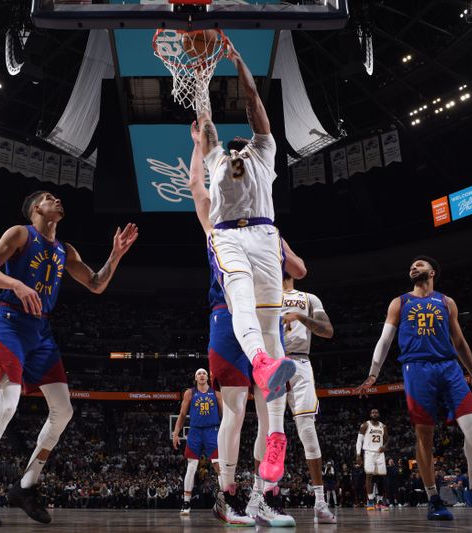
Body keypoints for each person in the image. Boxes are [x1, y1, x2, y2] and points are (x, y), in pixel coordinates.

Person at [0, 191, 138, 527]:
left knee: (64, 410)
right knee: (6, 404)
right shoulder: (20, 233)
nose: (58, 201)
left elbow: (96, 284)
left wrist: (115, 255)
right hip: (10, 323)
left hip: (41, 333)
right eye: (50, 198)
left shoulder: (64, 250)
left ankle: (26, 486)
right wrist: (17, 285)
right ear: (36, 208)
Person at [188, 113, 306, 527]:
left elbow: (301, 270)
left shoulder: (265, 227)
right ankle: (227, 496)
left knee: (269, 405)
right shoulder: (217, 224)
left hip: (263, 318)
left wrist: (279, 247)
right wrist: (199, 145)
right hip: (226, 318)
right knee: (235, 410)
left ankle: (261, 497)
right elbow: (196, 189)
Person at [193, 37, 296, 488]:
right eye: (228, 145)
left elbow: (254, 102)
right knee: (239, 297)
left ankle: (275, 436)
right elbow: (207, 124)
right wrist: (200, 77)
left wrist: (237, 63)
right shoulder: (217, 156)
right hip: (229, 234)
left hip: (265, 233)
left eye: (240, 143)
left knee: (273, 329)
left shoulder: (264, 150)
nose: (234, 146)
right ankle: (259, 359)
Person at [354, 256, 472, 520]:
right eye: (411, 265)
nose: (413, 267)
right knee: (425, 437)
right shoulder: (400, 302)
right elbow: (385, 340)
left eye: (419, 264)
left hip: (449, 367)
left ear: (432, 272)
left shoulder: (446, 302)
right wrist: (373, 374)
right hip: (416, 369)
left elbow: (459, 341)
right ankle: (433, 499)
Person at [273, 273, 336, 523]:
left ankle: (320, 502)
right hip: (272, 363)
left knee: (307, 430)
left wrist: (299, 316)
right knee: (269, 432)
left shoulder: (309, 298)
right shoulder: (265, 294)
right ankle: (261, 498)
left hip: (300, 362)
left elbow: (328, 331)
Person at [171, 368, 222, 516]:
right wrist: (175, 433)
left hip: (212, 430)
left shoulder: (216, 393)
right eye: (199, 373)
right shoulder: (190, 393)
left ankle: (227, 499)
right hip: (195, 431)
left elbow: (225, 415)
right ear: (195, 378)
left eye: (204, 373)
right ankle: (186, 502)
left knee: (218, 464)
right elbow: (182, 414)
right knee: (191, 466)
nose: (201, 375)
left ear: (208, 377)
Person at [356, 408, 388, 511]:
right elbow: (359, 441)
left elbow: (387, 440)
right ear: (370, 414)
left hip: (379, 453)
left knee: (381, 477)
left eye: (376, 412)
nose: (375, 414)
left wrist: (385, 447)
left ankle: (379, 501)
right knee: (369, 475)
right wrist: (358, 455)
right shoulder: (365, 425)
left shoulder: (383, 426)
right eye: (373, 412)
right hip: (369, 453)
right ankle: (370, 500)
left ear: (378, 414)